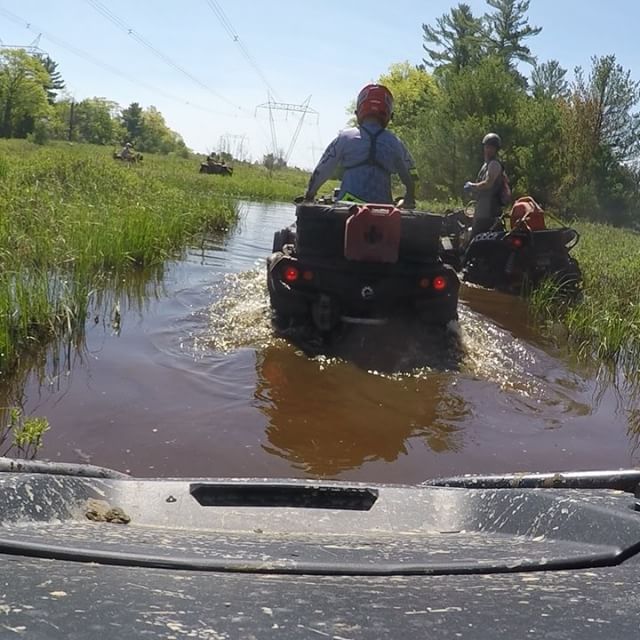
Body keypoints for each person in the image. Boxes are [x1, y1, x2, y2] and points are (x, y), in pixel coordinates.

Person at [303, 84, 418, 208]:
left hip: (348, 206)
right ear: (389, 115)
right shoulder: (395, 142)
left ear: (358, 112)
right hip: (383, 209)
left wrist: (310, 194)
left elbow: (322, 169)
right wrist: (410, 195)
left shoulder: (345, 137)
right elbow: (412, 172)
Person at [464, 133, 507, 237]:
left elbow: (488, 183)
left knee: (477, 239)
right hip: (483, 208)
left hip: (489, 210)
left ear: (496, 149)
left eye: (492, 148)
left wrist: (472, 186)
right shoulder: (486, 165)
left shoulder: (494, 164)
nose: (488, 150)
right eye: (487, 147)